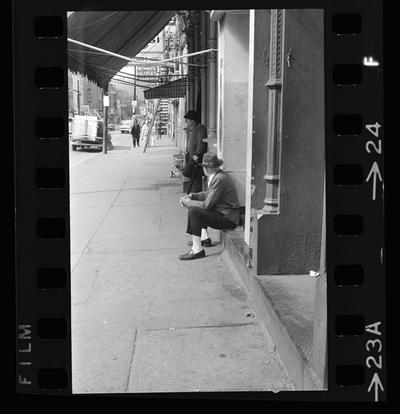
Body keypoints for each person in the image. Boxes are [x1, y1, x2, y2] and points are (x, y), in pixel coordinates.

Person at [179, 153, 240, 260]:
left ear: (206, 168)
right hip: (224, 214)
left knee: (194, 211)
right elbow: (208, 194)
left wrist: (189, 202)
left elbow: (207, 205)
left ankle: (197, 250)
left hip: (228, 218)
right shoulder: (217, 176)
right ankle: (201, 239)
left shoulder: (219, 179)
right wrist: (193, 196)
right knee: (196, 209)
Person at [182, 110, 208, 194]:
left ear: (193, 121)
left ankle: (203, 173)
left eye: (188, 120)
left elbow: (201, 143)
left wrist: (196, 154)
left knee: (187, 172)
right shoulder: (194, 128)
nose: (186, 122)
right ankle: (195, 195)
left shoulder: (200, 128)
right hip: (192, 156)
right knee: (195, 179)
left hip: (196, 157)